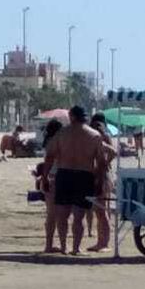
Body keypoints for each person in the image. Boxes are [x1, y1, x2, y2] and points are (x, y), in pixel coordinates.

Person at [39, 106, 104, 255]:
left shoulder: (62, 133)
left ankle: (63, 247)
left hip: (64, 174)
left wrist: (45, 176)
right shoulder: (94, 135)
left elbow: (49, 157)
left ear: (72, 116)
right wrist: (99, 181)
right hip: (84, 175)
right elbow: (101, 162)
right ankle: (76, 248)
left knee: (63, 215)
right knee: (79, 216)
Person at [86, 113, 118, 252]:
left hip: (102, 176)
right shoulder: (101, 137)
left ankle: (104, 243)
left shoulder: (101, 138)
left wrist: (105, 163)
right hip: (100, 175)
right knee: (100, 211)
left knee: (102, 211)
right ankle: (101, 241)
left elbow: (113, 152)